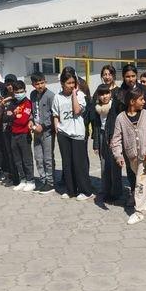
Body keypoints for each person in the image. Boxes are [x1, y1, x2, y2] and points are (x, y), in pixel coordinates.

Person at [105, 64, 146, 203]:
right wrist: (111, 134)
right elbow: (114, 115)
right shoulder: (119, 93)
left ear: (136, 76)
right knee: (131, 164)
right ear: (123, 77)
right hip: (128, 135)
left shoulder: (145, 90)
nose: (130, 79)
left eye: (133, 76)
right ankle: (134, 191)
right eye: (127, 76)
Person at [111, 88, 146, 224]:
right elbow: (116, 140)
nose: (144, 102)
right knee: (144, 180)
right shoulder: (121, 118)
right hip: (132, 158)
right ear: (132, 101)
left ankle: (139, 212)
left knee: (140, 183)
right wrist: (118, 156)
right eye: (141, 99)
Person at [52, 67, 94, 200]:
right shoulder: (57, 97)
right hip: (63, 134)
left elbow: (77, 111)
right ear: (62, 83)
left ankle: (86, 191)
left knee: (79, 164)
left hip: (77, 134)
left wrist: (74, 94)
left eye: (73, 83)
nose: (71, 85)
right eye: (68, 83)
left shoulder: (80, 95)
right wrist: (57, 127)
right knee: (67, 163)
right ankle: (71, 190)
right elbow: (55, 114)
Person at [5, 80, 35, 192]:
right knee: (17, 159)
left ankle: (31, 181)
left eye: (21, 91)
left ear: (25, 91)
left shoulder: (27, 103)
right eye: (16, 92)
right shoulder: (12, 102)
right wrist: (14, 116)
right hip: (13, 134)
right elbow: (5, 117)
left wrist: (12, 116)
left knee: (27, 159)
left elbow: (22, 121)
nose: (18, 94)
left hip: (24, 134)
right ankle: (22, 180)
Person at [30, 73, 56, 194]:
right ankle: (43, 180)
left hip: (47, 132)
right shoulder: (33, 94)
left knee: (48, 158)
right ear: (33, 85)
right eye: (37, 84)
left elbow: (54, 114)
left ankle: (50, 182)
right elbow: (32, 111)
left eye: (42, 83)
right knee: (38, 157)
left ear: (45, 82)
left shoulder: (50, 96)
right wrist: (30, 121)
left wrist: (43, 126)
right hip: (36, 131)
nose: (40, 86)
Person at [0, 74, 20, 186]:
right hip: (5, 129)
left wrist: (10, 98)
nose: (10, 86)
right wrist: (1, 105)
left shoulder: (19, 97)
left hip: (17, 130)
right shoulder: (4, 98)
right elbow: (0, 114)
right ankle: (12, 176)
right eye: (7, 84)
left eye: (12, 84)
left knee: (17, 154)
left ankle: (21, 177)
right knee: (9, 154)